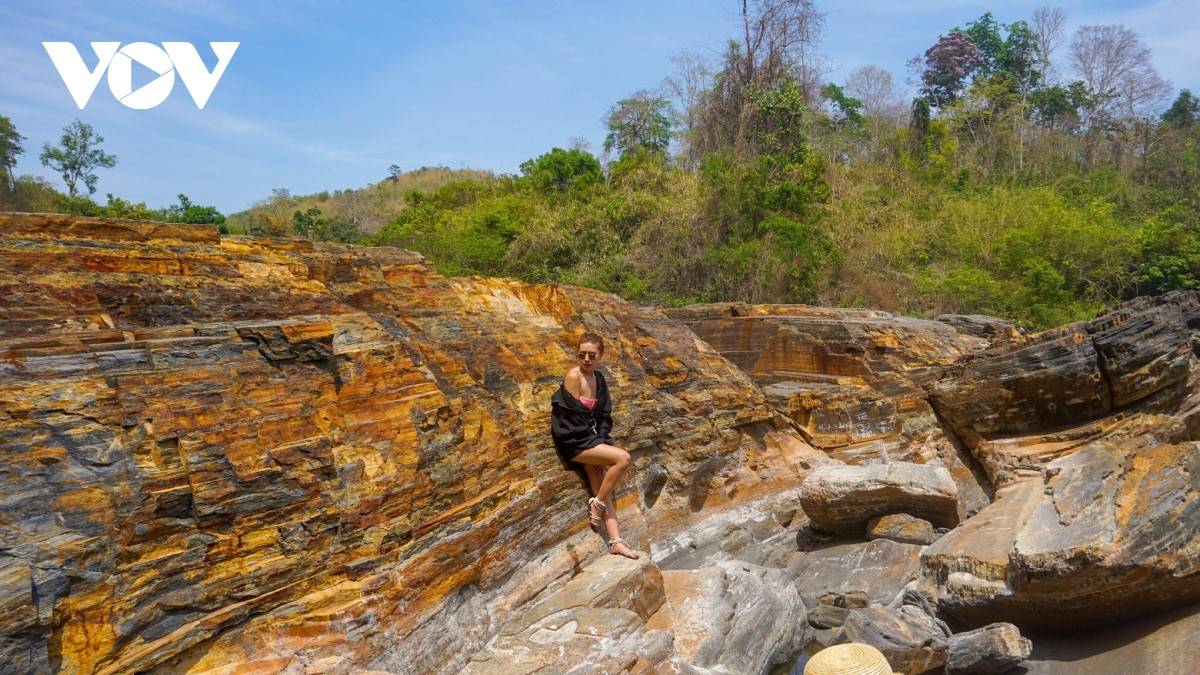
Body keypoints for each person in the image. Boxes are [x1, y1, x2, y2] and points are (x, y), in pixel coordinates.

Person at [550, 332, 640, 559]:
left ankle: (615, 542)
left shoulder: (599, 379)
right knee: (623, 459)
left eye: (592, 355)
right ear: (577, 355)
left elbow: (604, 415)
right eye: (582, 354)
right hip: (574, 441)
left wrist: (599, 442)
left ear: (600, 356)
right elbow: (569, 419)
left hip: (590, 440)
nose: (586, 359)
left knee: (604, 486)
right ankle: (597, 504)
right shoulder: (574, 376)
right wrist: (596, 448)